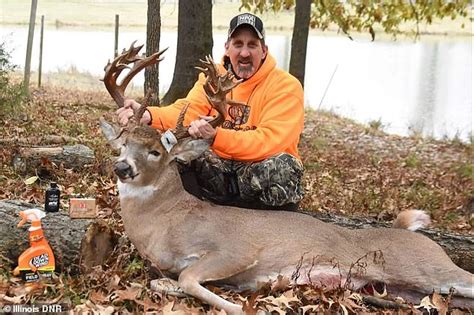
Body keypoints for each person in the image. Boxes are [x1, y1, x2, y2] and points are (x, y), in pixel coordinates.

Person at [117, 13, 305, 211]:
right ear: (227, 48)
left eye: (252, 45)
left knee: (283, 167)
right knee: (177, 154)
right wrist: (150, 115)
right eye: (238, 44)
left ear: (264, 51)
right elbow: (186, 111)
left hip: (256, 173)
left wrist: (217, 137)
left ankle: (276, 232)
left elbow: (270, 141)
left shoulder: (285, 86)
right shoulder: (213, 77)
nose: (244, 53)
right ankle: (193, 220)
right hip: (220, 171)